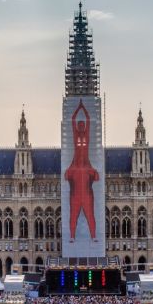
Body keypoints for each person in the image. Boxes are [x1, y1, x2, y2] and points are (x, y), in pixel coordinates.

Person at [65, 101, 99, 241]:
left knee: (90, 214)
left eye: (82, 124)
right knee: (73, 213)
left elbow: (89, 120)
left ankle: (94, 236)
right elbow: (72, 120)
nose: (81, 125)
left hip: (86, 168)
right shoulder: (75, 136)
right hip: (76, 170)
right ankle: (72, 236)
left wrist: (84, 108)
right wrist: (78, 107)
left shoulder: (86, 135)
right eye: (79, 125)